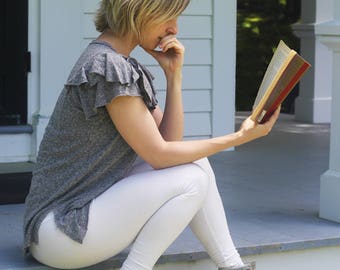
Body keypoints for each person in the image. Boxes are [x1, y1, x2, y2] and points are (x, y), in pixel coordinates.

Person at [23, 0, 280, 269]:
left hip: (71, 222)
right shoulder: (109, 66)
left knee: (196, 164)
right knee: (192, 180)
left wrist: (173, 76)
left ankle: (232, 266)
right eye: (169, 17)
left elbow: (169, 144)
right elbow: (159, 156)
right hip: (60, 231)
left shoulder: (117, 62)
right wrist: (240, 137)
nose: (174, 29)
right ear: (139, 11)